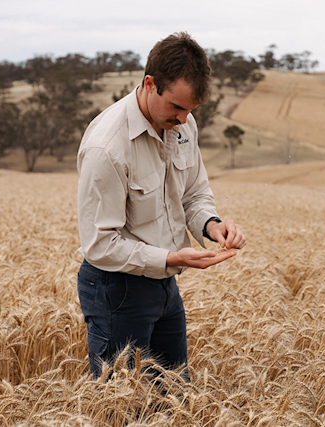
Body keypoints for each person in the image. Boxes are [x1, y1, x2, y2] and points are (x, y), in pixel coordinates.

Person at [76, 32, 246, 380]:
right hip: (116, 291)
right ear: (150, 83)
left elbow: (193, 194)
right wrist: (170, 258)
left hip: (165, 285)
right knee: (122, 406)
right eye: (178, 107)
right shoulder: (106, 148)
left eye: (191, 110)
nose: (184, 119)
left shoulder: (182, 124)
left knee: (174, 398)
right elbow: (100, 245)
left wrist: (213, 226)